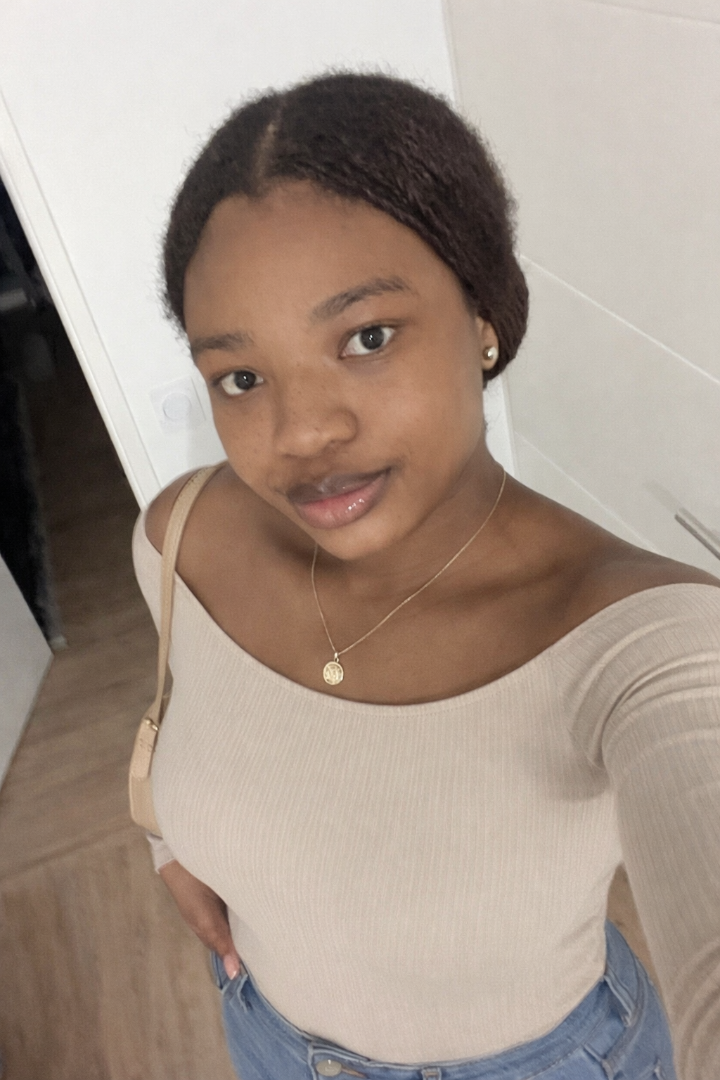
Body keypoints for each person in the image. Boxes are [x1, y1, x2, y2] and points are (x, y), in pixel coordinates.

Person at [132, 71, 720, 1080]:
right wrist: (169, 840)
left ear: (483, 314)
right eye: (242, 376)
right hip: (268, 1040)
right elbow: (185, 708)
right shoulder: (181, 534)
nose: (301, 433)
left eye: (366, 338)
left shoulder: (643, 639)